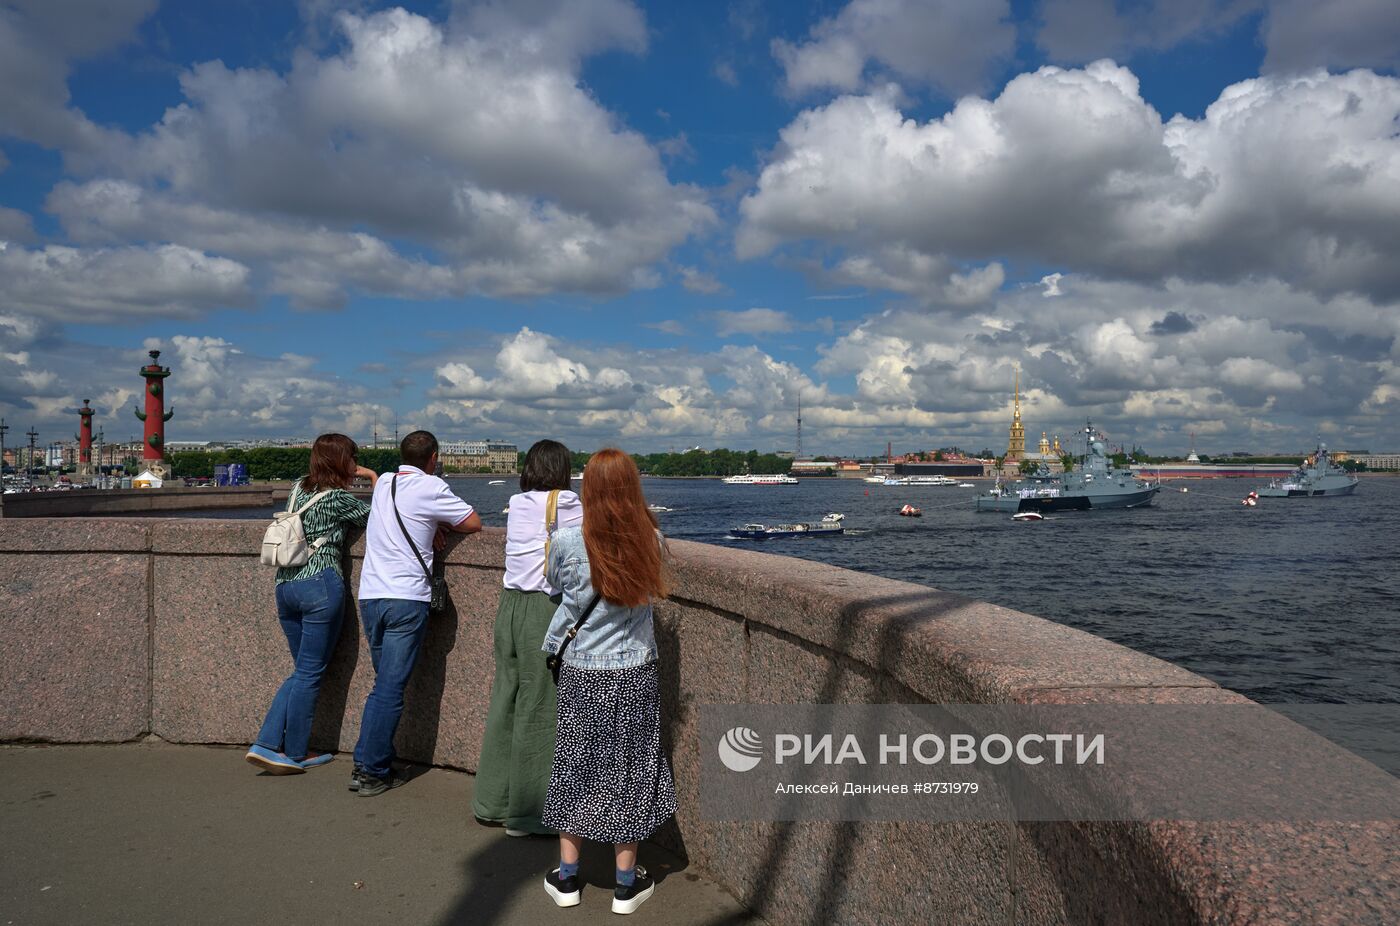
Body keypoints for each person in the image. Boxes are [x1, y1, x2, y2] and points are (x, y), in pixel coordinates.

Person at [539, 448, 676, 916]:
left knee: (574, 763)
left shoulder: (566, 541)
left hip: (581, 670)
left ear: (589, 489)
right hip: (634, 673)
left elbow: (555, 588)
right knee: (632, 769)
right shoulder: (651, 539)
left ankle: (568, 877)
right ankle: (624, 885)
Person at [353, 430, 482, 796]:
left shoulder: (386, 484)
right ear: (434, 457)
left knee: (383, 686)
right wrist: (439, 522)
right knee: (390, 688)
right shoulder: (433, 488)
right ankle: (371, 771)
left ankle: (368, 758)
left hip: (371, 596)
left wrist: (431, 522)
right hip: (406, 598)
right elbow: (473, 522)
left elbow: (387, 494)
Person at [246, 433, 378, 775]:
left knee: (302, 670)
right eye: (352, 458)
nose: (355, 463)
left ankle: (284, 748)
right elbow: (381, 518)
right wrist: (374, 478)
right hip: (319, 586)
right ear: (342, 461)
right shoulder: (337, 499)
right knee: (308, 672)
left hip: (285, 586)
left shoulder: (296, 488)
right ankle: (279, 747)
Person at [474, 440, 582, 835]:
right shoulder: (567, 503)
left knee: (507, 696)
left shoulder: (519, 503)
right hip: (542, 610)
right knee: (540, 704)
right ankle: (528, 814)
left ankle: (492, 801)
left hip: (509, 607)